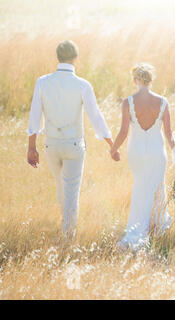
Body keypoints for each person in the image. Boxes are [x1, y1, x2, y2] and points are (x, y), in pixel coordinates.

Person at [26, 40, 113, 239]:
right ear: (76, 58)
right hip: (74, 145)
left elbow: (34, 115)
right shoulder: (83, 84)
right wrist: (110, 143)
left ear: (57, 57)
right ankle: (68, 237)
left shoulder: (43, 82)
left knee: (61, 186)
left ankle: (65, 228)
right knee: (71, 191)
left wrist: (32, 147)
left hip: (51, 144)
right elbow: (95, 115)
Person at [110, 63, 175, 251]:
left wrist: (113, 149)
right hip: (157, 152)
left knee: (143, 188)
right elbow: (169, 134)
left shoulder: (128, 102)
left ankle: (142, 231)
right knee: (155, 188)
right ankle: (152, 229)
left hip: (137, 152)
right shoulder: (163, 102)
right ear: (151, 80)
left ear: (135, 80)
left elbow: (124, 131)